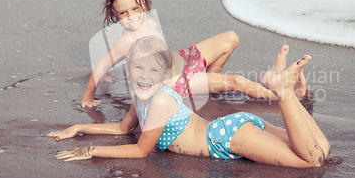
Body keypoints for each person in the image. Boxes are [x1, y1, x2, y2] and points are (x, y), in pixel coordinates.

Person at [49, 36, 330, 168]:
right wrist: (79, 127)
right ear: (128, 70)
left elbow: (140, 150)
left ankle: (283, 92)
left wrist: (91, 151)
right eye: (138, 69)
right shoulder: (140, 97)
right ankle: (284, 89)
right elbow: (123, 128)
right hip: (232, 129)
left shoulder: (159, 101)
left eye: (153, 71)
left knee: (313, 161)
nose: (144, 77)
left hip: (227, 139)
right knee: (321, 149)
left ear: (165, 74)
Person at [81, 0, 301, 108]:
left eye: (135, 8)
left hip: (182, 60)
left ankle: (210, 86)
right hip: (176, 82)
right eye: (123, 13)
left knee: (231, 38)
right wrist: (88, 96)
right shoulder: (126, 39)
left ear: (144, 4)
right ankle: (283, 96)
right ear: (115, 16)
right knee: (237, 81)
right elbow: (101, 65)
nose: (131, 16)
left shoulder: (149, 22)